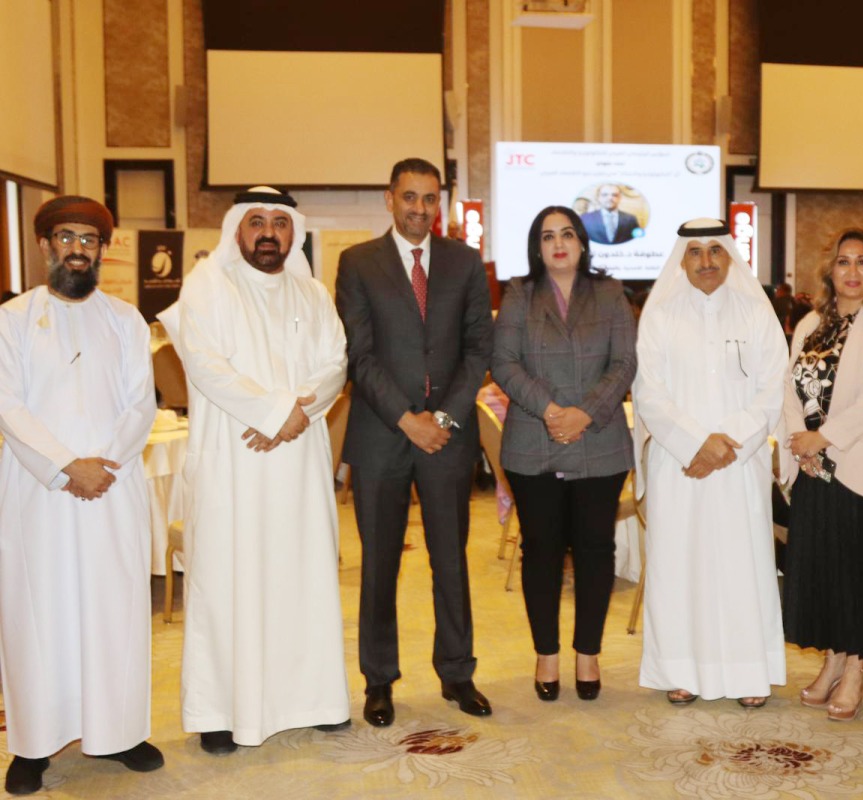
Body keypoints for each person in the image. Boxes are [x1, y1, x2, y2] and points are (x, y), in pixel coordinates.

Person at [164, 188, 350, 754]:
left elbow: (335, 363)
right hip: (232, 459)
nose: (268, 233)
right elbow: (205, 365)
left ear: (292, 233)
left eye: (279, 223)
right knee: (227, 578)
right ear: (236, 231)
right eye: (256, 222)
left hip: (297, 461)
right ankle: (221, 711)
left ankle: (314, 698)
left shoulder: (312, 292)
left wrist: (296, 414)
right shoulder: (205, 286)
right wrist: (276, 413)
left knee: (303, 574)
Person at [0, 196, 162, 794]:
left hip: (111, 487)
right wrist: (67, 465)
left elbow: (139, 404)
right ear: (45, 246)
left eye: (88, 239)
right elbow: (8, 405)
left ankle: (119, 732)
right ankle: (33, 745)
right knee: (36, 612)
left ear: (102, 249)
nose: (77, 248)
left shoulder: (125, 320)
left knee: (113, 606)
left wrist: (103, 465)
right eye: (65, 237)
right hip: (38, 489)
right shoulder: (11, 320)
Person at [336, 158, 495, 722]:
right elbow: (359, 354)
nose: (420, 209)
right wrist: (408, 420)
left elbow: (480, 348)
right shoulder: (357, 263)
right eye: (410, 197)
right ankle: (379, 680)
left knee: (451, 560)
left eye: (430, 199)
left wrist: (444, 421)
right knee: (379, 564)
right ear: (389, 198)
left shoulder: (465, 262)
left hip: (448, 438)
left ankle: (457, 674)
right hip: (383, 436)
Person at [634, 218, 788, 708]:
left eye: (715, 251)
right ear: (681, 259)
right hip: (679, 465)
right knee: (679, 565)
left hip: (738, 465)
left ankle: (747, 674)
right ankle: (681, 671)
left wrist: (730, 444)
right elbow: (648, 393)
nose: (705, 262)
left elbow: (773, 389)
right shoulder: (660, 315)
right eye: (695, 252)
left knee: (741, 565)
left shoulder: (755, 313)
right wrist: (697, 443)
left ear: (729, 256)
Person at [491, 205, 637, 703]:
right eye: (548, 236)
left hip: (600, 442)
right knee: (543, 552)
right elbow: (504, 363)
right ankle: (547, 654)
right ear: (537, 247)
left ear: (581, 243)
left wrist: (585, 413)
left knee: (596, 551)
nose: (559, 243)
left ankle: (588, 654)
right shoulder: (517, 294)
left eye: (568, 234)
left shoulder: (611, 293)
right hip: (534, 442)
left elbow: (624, 363)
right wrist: (552, 410)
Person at [781, 228, 863, 722]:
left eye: (861, 262)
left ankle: (856, 667)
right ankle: (834, 658)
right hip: (814, 470)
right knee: (826, 571)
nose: (852, 271)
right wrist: (798, 439)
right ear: (829, 271)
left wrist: (823, 438)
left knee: (859, 574)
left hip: (861, 469)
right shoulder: (809, 323)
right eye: (843, 262)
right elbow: (789, 389)